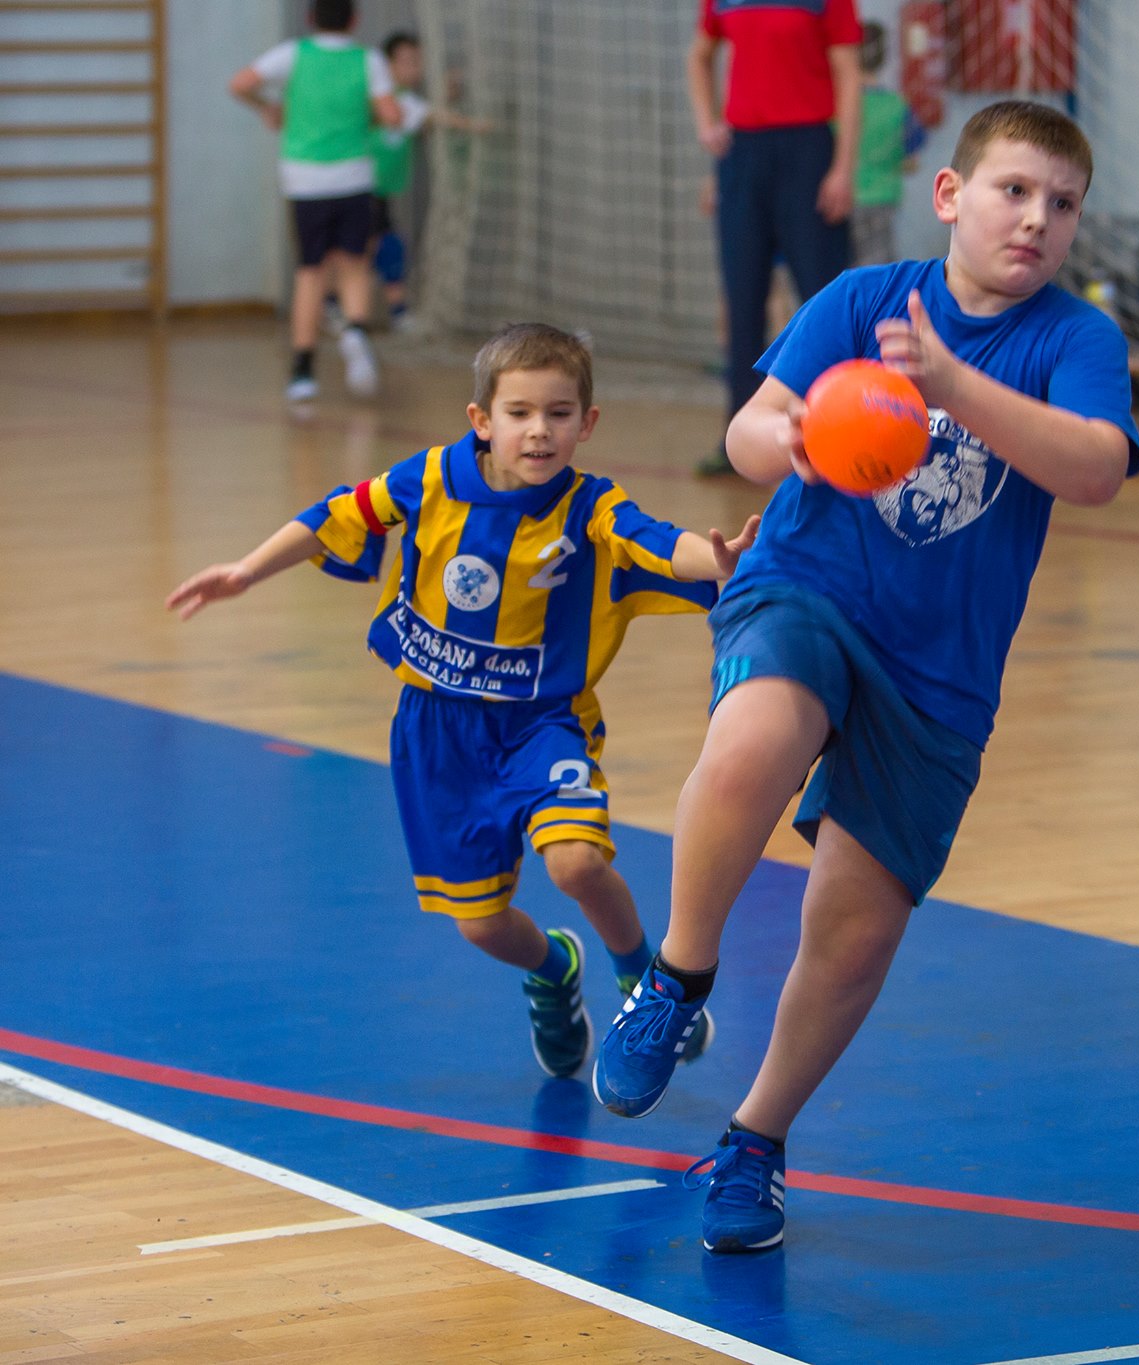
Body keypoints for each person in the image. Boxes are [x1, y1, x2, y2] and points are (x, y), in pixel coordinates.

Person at [592, 100, 1139, 1253]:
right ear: (949, 195)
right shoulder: (859, 301)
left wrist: (949, 384)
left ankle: (754, 1140)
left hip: (940, 668)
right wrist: (786, 439)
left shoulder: (1075, 341)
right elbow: (748, 430)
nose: (1035, 219)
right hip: (807, 585)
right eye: (1012, 190)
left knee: (852, 931)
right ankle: (677, 977)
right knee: (749, 749)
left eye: (1061, 204)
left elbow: (1095, 470)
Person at [165, 324, 760, 1078]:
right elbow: (333, 517)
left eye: (558, 413)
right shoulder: (428, 479)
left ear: (587, 423)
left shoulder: (591, 506)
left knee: (577, 865)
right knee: (481, 924)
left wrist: (720, 559)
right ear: (481, 419)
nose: (539, 430)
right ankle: (554, 972)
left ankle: (648, 984)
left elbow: (660, 542)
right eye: (519, 412)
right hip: (436, 732)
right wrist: (247, 571)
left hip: (543, 724)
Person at [689, 0, 864, 476]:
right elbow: (700, 55)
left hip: (808, 152)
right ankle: (740, 442)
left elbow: (848, 75)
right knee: (743, 301)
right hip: (742, 157)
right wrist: (708, 126)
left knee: (825, 303)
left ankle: (846, 432)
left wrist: (843, 169)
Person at [229, 0, 402, 402]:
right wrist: (369, 117)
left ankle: (303, 371)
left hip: (304, 180)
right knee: (354, 266)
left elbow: (240, 83)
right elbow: (391, 114)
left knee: (311, 272)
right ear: (354, 21)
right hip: (354, 176)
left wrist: (268, 107)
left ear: (310, 19)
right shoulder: (368, 60)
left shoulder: (293, 54)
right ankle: (355, 331)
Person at [366, 30, 489, 331]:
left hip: (379, 189)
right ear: (388, 65)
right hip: (362, 187)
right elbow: (432, 115)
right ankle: (388, 311)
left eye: (418, 61)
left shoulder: (404, 100)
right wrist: (476, 125)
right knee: (376, 248)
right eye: (408, 61)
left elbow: (423, 117)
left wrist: (447, 95)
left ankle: (377, 310)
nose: (416, 68)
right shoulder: (384, 99)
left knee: (374, 247)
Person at [851, 20, 926, 268]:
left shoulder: (838, 109)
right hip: (883, 199)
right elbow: (911, 160)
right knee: (877, 272)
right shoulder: (898, 106)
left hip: (841, 200)